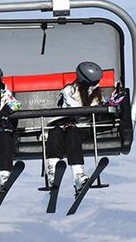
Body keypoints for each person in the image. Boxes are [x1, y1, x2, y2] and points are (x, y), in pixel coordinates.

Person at [45, 61, 105, 194]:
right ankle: (52, 173)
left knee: (73, 134)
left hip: (83, 128)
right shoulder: (69, 91)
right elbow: (75, 111)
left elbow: (85, 117)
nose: (97, 85)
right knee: (54, 133)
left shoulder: (98, 95)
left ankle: (78, 175)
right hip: (64, 125)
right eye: (94, 82)